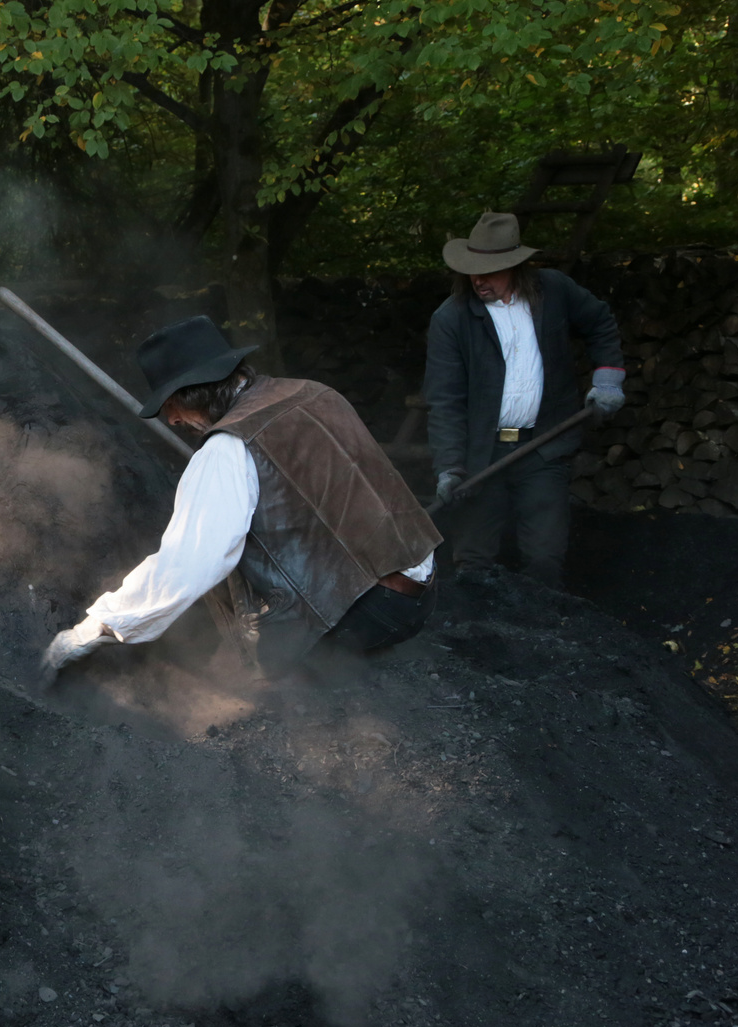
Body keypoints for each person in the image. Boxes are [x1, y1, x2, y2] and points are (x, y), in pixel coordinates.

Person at [41, 316, 442, 682]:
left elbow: (191, 562)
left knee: (265, 681)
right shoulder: (315, 393)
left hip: (368, 614)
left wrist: (99, 625)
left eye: (170, 406)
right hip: (420, 592)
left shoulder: (228, 449)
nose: (172, 421)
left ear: (193, 392)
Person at [423, 211, 625, 587]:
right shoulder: (451, 319)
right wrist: (450, 467)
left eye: (490, 270)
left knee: (545, 557)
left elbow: (600, 323)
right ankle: (475, 637)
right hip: (480, 456)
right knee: (473, 559)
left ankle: (540, 636)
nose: (478, 279)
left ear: (515, 265)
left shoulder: (554, 291)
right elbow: (445, 400)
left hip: (544, 446)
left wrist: (608, 380)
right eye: (472, 270)